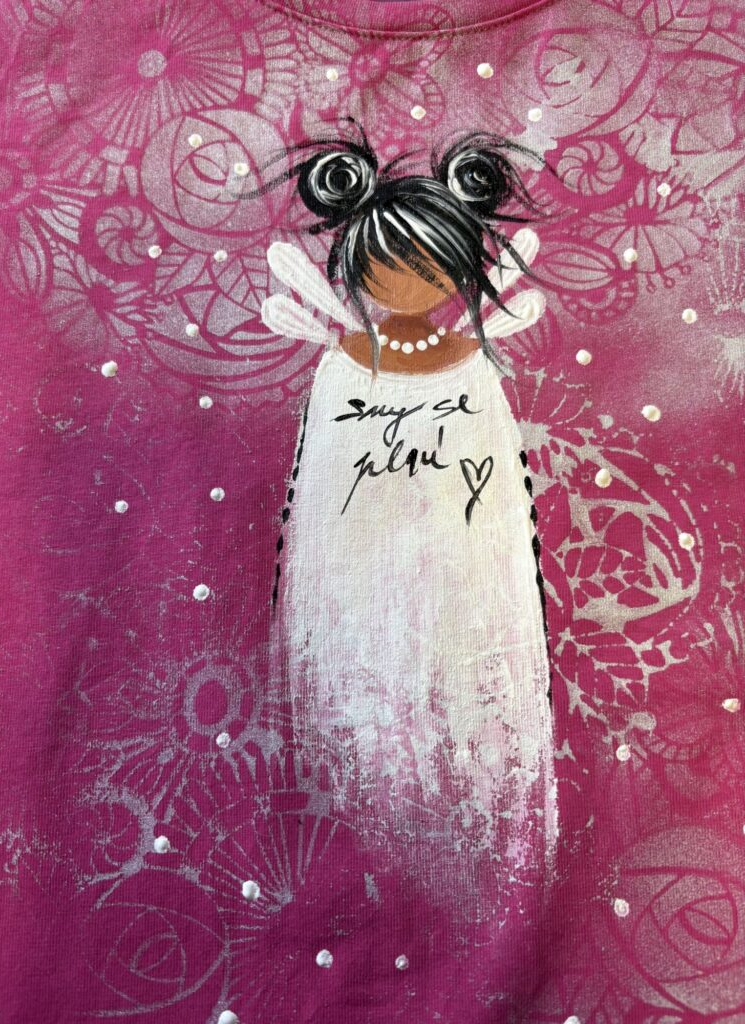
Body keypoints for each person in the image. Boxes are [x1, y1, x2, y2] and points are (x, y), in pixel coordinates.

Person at [263, 126, 558, 898]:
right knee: (367, 734)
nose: (406, 281)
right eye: (387, 265)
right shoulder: (341, 371)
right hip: (361, 604)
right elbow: (320, 515)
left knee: (461, 733)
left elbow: (499, 516)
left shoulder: (473, 371)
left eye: (427, 264)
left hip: (463, 598)